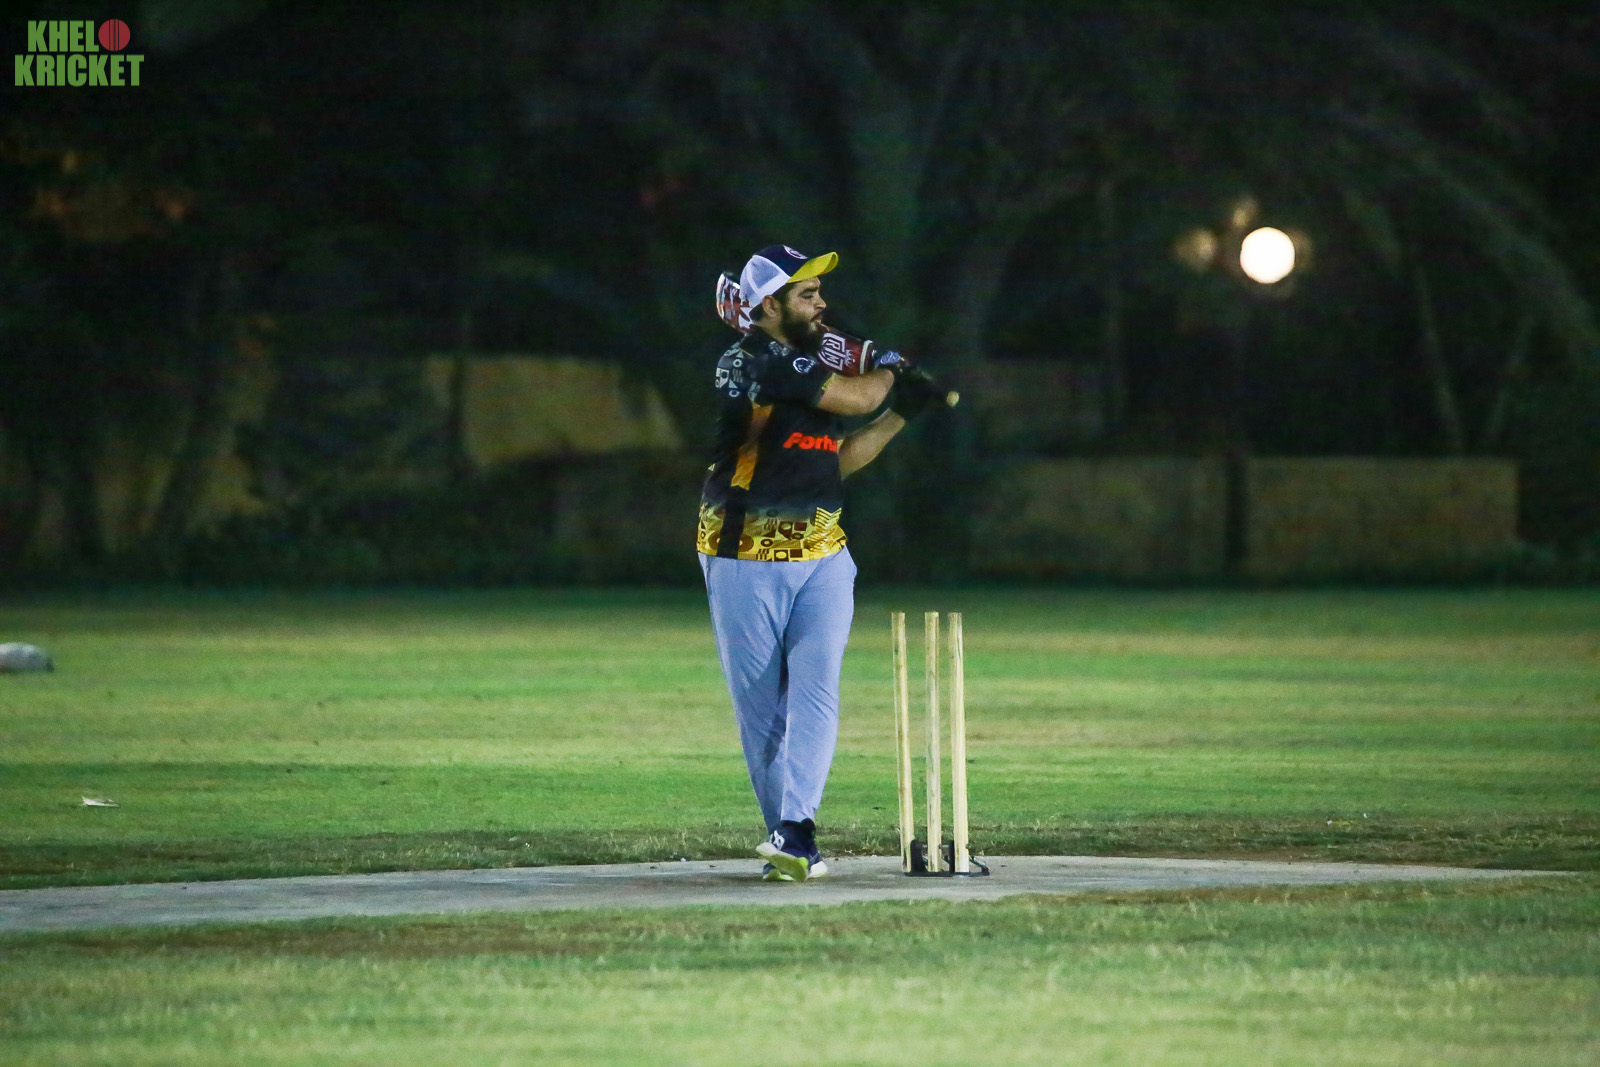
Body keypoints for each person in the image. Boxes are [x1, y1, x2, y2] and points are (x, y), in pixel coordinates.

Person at [696, 244, 946, 882]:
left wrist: (904, 413)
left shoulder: (808, 363)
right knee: (763, 714)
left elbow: (836, 459)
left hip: (824, 551)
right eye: (807, 295)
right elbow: (858, 398)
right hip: (743, 552)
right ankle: (786, 833)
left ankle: (797, 831)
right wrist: (889, 368)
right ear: (769, 306)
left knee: (817, 689)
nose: (821, 304)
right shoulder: (751, 361)